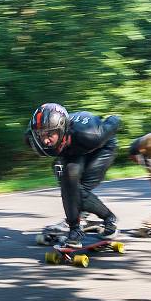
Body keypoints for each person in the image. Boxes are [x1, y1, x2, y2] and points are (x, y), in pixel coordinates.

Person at [26, 103, 121, 248]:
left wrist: (112, 115)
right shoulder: (34, 140)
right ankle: (76, 227)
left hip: (100, 147)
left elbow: (115, 120)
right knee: (68, 182)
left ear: (62, 129)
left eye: (50, 134)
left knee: (78, 190)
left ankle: (109, 219)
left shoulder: (92, 135)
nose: (45, 141)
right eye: (41, 134)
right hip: (72, 150)